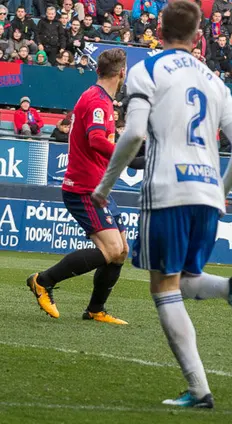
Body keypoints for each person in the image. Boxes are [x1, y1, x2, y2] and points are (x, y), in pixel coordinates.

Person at [91, 1, 232, 408]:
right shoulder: (214, 81)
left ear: (158, 29)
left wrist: (105, 185)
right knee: (184, 278)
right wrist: (222, 189)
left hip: (166, 189)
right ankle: (229, 288)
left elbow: (133, 134)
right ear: (198, 35)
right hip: (206, 192)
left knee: (163, 286)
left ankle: (200, 390)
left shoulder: (145, 69)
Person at [25, 49, 134, 324]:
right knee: (110, 249)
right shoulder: (98, 101)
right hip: (84, 188)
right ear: (122, 72)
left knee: (120, 251)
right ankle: (42, 281)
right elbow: (97, 140)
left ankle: (95, 310)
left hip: (98, 186)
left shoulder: (100, 99)